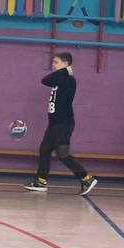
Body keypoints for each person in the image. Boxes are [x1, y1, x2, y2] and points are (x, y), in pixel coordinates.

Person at [24, 52, 97, 195]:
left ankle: (86, 178)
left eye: (56, 62)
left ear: (66, 64)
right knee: (44, 150)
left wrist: (64, 71)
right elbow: (46, 80)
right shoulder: (58, 79)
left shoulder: (69, 80)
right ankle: (41, 181)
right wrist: (62, 71)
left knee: (62, 153)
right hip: (54, 123)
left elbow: (46, 80)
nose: (53, 65)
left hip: (64, 123)